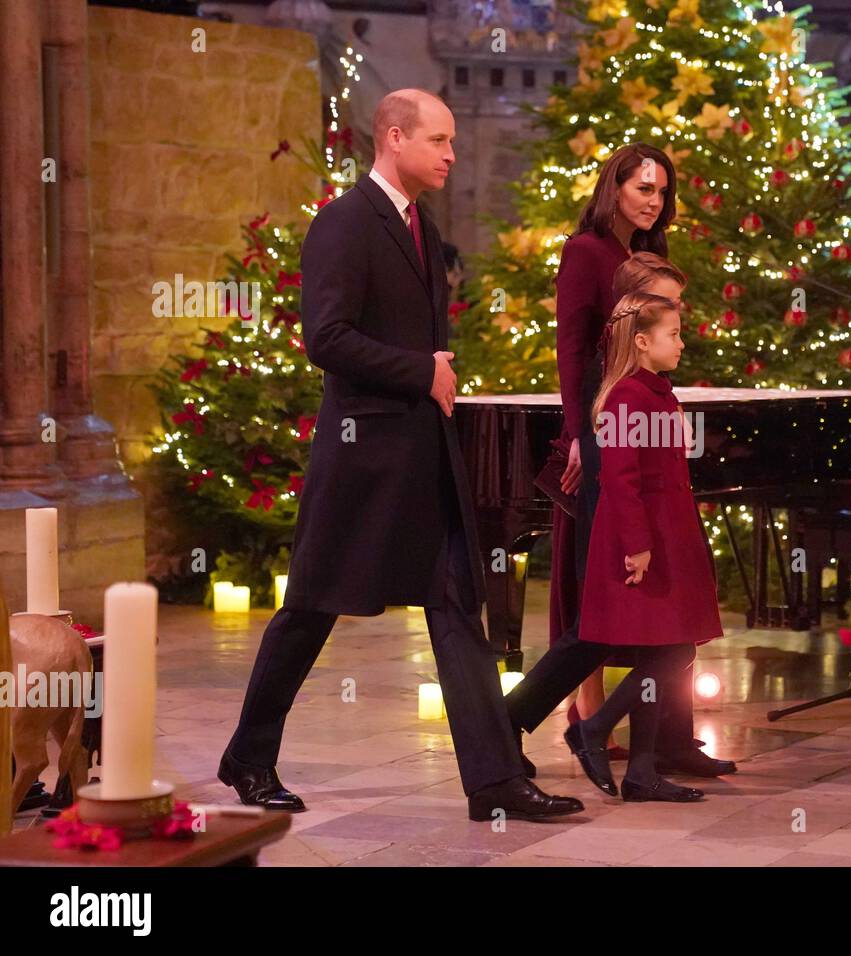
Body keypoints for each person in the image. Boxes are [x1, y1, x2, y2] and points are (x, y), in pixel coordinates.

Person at [218, 89, 583, 824]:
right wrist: (422, 371)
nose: (452, 154)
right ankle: (248, 759)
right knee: (310, 610)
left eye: (452, 140)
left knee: (457, 613)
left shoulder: (420, 221)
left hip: (425, 456)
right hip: (363, 462)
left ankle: (493, 783)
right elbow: (326, 337)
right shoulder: (344, 223)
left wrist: (431, 380)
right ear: (393, 138)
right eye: (439, 140)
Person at [503, 145, 734, 778]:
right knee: (606, 608)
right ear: (616, 187)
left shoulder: (640, 259)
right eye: (643, 187)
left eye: (662, 190)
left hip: (632, 424)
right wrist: (580, 435)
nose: (654, 199)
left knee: (665, 600)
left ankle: (670, 742)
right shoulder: (587, 252)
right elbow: (573, 350)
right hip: (607, 436)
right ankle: (518, 723)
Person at [565, 291, 723, 801]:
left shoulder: (656, 391)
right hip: (646, 537)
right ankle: (595, 729)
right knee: (671, 650)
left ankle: (641, 771)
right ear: (641, 340)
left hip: (667, 533)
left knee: (667, 648)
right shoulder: (629, 396)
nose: (681, 342)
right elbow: (620, 479)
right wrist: (638, 545)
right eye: (673, 334)